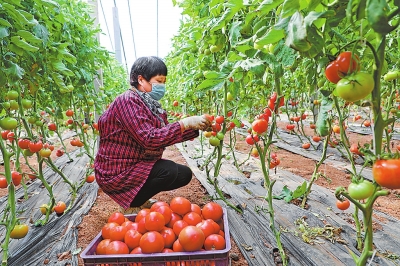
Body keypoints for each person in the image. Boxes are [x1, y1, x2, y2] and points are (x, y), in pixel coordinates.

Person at [94, 56, 211, 213]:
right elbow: (150, 139)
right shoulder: (128, 101)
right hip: (118, 172)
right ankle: (133, 204)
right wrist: (184, 124)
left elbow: (163, 135)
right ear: (141, 80)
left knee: (184, 174)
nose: (162, 86)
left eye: (164, 81)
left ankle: (139, 197)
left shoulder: (150, 105)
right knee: (168, 170)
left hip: (136, 165)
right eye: (158, 81)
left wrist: (195, 127)